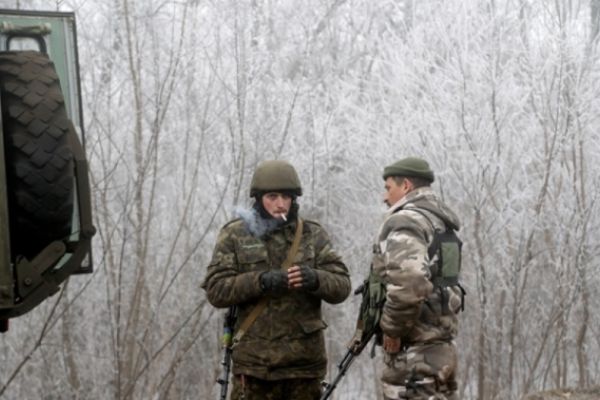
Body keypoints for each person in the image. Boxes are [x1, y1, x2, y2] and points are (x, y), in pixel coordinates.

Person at [202, 160, 351, 400]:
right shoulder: (235, 234)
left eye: (286, 196)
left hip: (304, 368)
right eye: (272, 196)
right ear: (258, 198)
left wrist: (314, 279)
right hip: (254, 368)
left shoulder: (312, 234)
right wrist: (261, 282)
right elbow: (216, 289)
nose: (280, 203)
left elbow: (342, 285)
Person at [373, 156, 463, 400]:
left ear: (406, 186)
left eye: (388, 188)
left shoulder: (406, 220)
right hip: (442, 350)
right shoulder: (440, 222)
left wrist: (392, 330)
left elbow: (409, 284)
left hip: (414, 357)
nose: (384, 197)